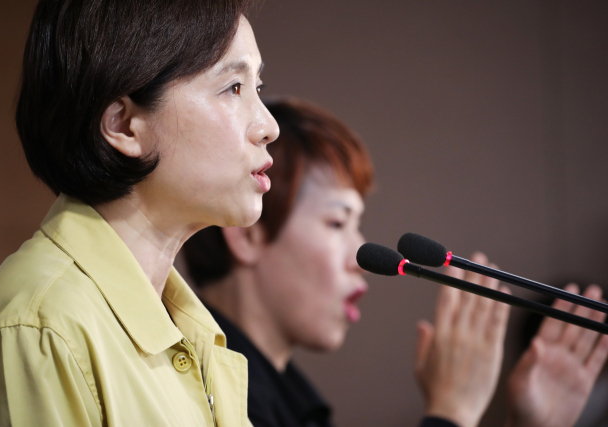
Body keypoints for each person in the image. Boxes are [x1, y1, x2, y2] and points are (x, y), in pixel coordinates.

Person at [182, 97, 608, 427]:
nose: (360, 257)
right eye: (337, 222)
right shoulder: (202, 397)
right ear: (249, 233)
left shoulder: (288, 398)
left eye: (358, 224)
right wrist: (451, 411)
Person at [0, 1, 279, 426]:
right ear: (123, 126)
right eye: (233, 88)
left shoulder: (194, 328)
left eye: (256, 87)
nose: (268, 126)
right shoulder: (40, 329)